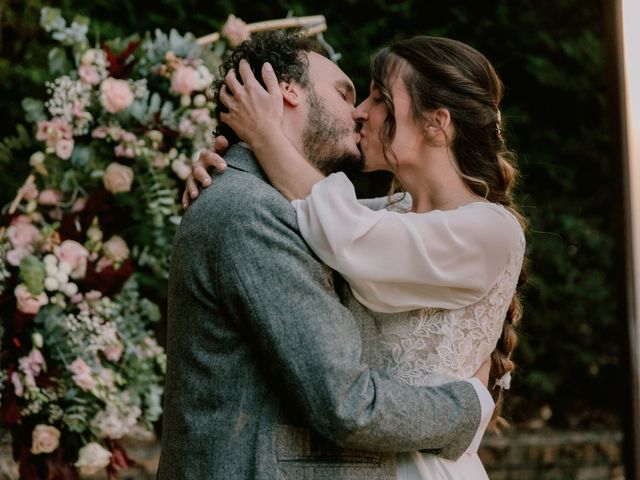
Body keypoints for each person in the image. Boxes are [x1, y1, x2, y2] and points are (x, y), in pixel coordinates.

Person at [158, 32, 495, 480]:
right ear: (287, 91)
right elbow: (346, 405)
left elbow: (351, 225)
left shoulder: (296, 210)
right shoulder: (253, 210)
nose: (359, 113)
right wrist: (469, 406)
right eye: (344, 92)